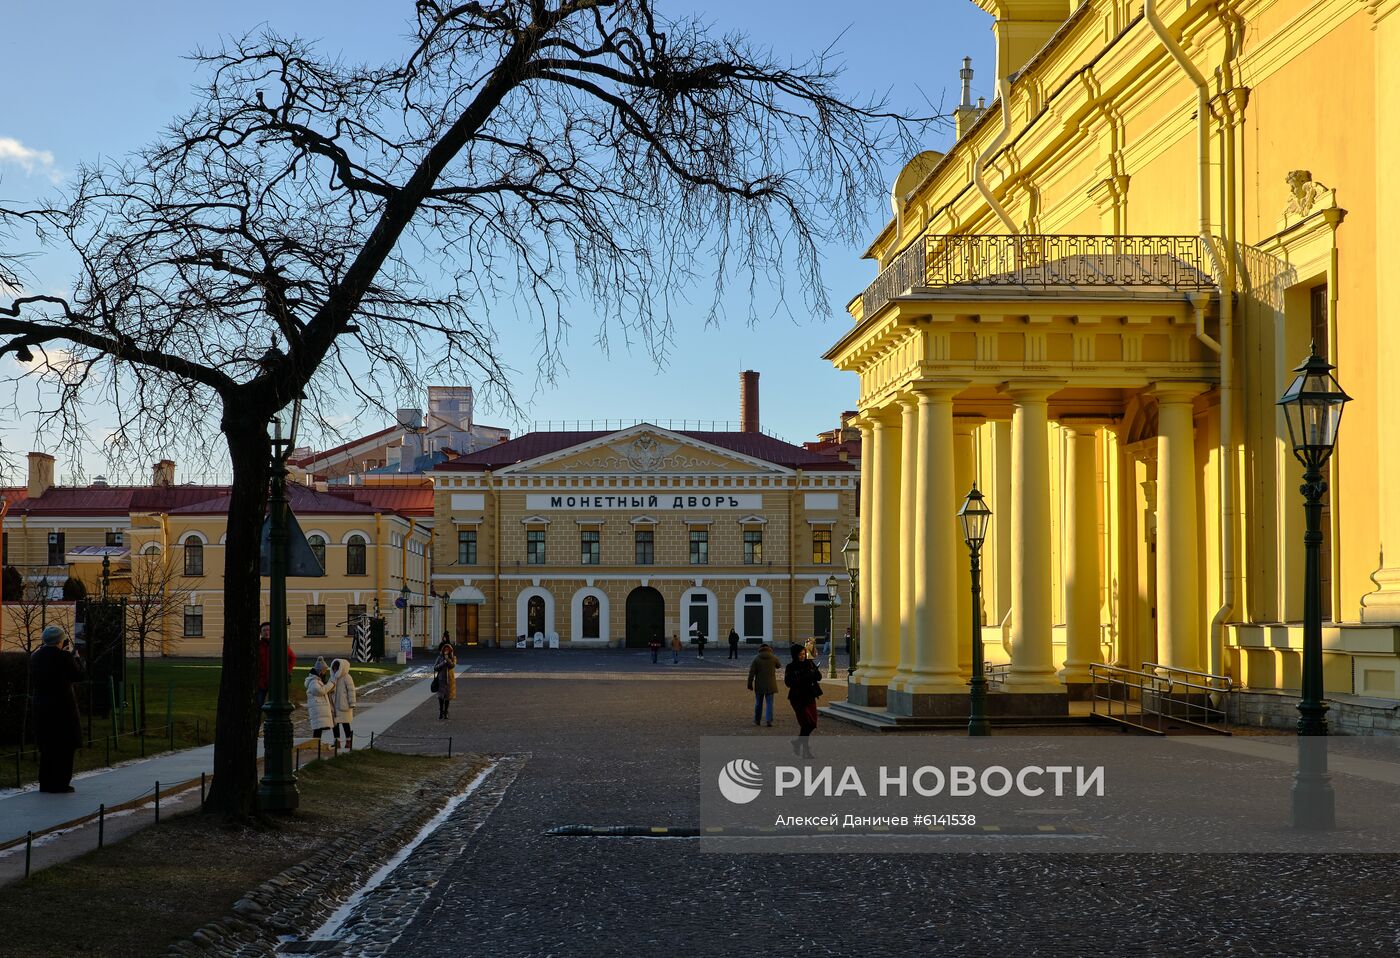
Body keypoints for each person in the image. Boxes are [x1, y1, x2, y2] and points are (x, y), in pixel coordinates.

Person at [30, 625, 84, 793]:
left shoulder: (36, 657)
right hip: (63, 708)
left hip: (42, 707)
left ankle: (46, 783)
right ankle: (61, 783)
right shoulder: (64, 657)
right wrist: (76, 659)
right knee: (65, 747)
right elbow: (79, 676)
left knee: (47, 747)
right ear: (60, 641)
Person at [255, 621, 297, 735]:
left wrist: (288, 671)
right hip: (261, 682)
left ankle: (275, 730)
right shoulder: (258, 645)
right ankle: (255, 731)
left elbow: (292, 657)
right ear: (261, 633)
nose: (267, 632)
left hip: (275, 682)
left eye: (269, 630)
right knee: (257, 707)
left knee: (277, 708)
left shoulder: (279, 644)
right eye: (264, 630)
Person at [784, 644, 823, 756]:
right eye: (800, 654)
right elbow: (788, 683)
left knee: (812, 723)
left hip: (809, 696)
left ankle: (797, 743)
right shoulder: (790, 667)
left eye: (804, 654)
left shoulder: (809, 663)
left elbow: (819, 677)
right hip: (797, 698)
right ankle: (806, 751)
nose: (803, 656)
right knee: (806, 724)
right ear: (795, 655)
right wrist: (804, 676)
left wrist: (815, 672)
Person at [746, 643, 779, 727]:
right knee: (769, 703)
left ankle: (757, 720)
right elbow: (778, 665)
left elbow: (751, 673)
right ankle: (769, 720)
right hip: (771, 684)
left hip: (759, 684)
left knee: (758, 703)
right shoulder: (773, 658)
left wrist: (749, 684)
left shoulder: (756, 659)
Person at [304, 657, 335, 745]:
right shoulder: (314, 682)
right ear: (320, 671)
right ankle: (315, 743)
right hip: (317, 709)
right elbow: (319, 691)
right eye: (324, 671)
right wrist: (330, 684)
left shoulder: (317, 680)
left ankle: (317, 742)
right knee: (318, 728)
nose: (325, 673)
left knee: (319, 728)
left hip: (319, 708)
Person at [329, 658, 357, 750]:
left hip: (344, 704)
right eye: (333, 668)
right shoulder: (332, 677)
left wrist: (352, 702)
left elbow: (351, 690)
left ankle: (348, 741)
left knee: (345, 723)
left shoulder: (347, 677)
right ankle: (337, 741)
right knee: (335, 725)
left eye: (336, 668)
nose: (334, 670)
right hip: (334, 704)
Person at [434, 640, 458, 719]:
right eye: (445, 649)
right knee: (441, 697)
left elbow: (452, 666)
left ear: (450, 651)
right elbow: (435, 667)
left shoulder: (453, 657)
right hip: (441, 679)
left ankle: (446, 712)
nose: (446, 651)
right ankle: (441, 712)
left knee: (448, 697)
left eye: (448, 649)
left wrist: (447, 659)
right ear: (443, 650)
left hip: (450, 680)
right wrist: (443, 662)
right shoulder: (439, 657)